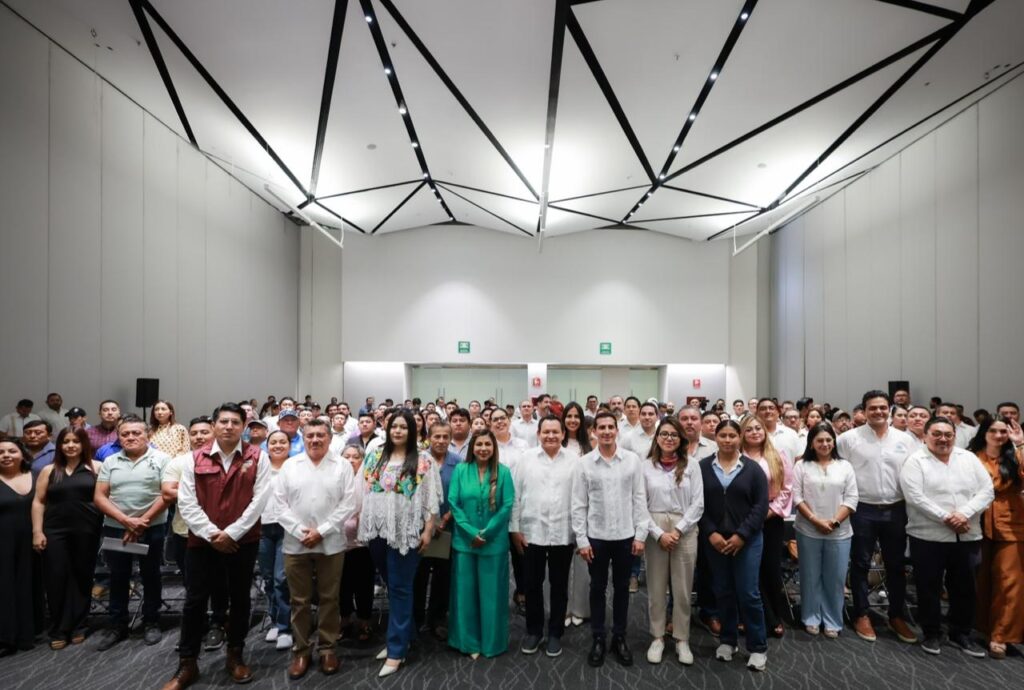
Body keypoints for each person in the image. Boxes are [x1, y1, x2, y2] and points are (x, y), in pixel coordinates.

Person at [162, 403, 271, 689]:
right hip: (202, 541)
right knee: (195, 600)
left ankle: (235, 655)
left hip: (242, 541)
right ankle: (187, 663)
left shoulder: (258, 457)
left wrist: (231, 534)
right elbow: (187, 502)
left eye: (235, 422)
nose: (229, 427)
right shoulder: (192, 459)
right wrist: (213, 534)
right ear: (214, 425)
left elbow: (259, 500)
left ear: (243, 426)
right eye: (223, 421)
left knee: (240, 598)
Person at [900, 416, 994, 657]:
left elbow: (987, 491)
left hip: (967, 534)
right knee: (928, 587)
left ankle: (961, 633)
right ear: (925, 436)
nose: (943, 439)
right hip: (928, 536)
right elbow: (915, 497)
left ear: (955, 436)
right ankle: (932, 633)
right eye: (937, 434)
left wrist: (963, 514)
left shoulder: (968, 458)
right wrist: (947, 518)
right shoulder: (915, 461)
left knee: (965, 588)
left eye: (948, 434)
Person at [358, 410, 441, 678]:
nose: (398, 431)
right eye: (394, 426)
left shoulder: (423, 459)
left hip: (406, 532)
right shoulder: (374, 455)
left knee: (401, 588)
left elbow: (431, 498)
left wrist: (428, 529)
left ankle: (396, 650)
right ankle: (407, 636)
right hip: (377, 531)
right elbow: (363, 491)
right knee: (392, 587)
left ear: (412, 431)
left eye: (403, 427)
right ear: (387, 428)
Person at [276, 419, 356, 679]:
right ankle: (301, 651)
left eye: (321, 435)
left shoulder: (342, 466)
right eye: (310, 435)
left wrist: (322, 530)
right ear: (303, 438)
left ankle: (327, 648)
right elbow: (279, 504)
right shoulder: (290, 465)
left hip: (330, 542)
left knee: (329, 598)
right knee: (299, 600)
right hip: (295, 542)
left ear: (330, 438)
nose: (315, 440)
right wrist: (300, 531)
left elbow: (349, 503)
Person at [837, 390, 916, 644]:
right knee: (860, 563)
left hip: (896, 509)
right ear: (864, 411)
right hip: (862, 509)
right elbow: (840, 473)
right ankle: (861, 613)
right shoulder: (848, 439)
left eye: (883, 407)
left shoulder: (905, 440)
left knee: (896, 565)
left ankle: (896, 615)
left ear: (889, 409)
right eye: (873, 408)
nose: (878, 412)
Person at [571, 411, 647, 668]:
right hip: (596, 537)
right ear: (593, 431)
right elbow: (578, 504)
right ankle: (598, 637)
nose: (605, 431)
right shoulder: (584, 463)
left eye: (610, 427)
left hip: (626, 535)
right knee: (597, 588)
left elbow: (639, 499)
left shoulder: (632, 461)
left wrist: (641, 534)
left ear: (617, 430)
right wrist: (582, 540)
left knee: (622, 588)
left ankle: (619, 636)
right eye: (601, 427)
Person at [92, 415, 170, 651]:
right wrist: (126, 521)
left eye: (136, 433)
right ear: (119, 436)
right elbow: (99, 497)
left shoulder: (162, 459)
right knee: (118, 576)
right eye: (125, 434)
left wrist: (141, 522)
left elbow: (166, 495)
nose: (131, 437)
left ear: (147, 435)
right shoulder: (110, 461)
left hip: (152, 527)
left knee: (151, 575)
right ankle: (117, 624)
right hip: (116, 527)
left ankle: (151, 621)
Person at [699, 420, 769, 672]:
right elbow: (697, 504)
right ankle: (728, 641)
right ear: (715, 437)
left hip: (747, 541)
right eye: (723, 435)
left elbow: (761, 506)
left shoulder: (753, 469)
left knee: (748, 593)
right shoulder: (703, 467)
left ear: (740, 437)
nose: (727, 440)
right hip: (715, 540)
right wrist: (711, 533)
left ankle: (758, 647)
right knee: (723, 590)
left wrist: (742, 535)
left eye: (732, 435)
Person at [31, 428, 102, 649]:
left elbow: (105, 498)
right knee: (56, 577)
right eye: (66, 442)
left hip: (87, 530)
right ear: (59, 445)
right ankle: (59, 628)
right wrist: (37, 531)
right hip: (54, 531)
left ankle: (80, 624)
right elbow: (38, 502)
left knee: (82, 576)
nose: (70, 445)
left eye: (76, 441)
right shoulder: (49, 470)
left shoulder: (96, 468)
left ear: (84, 444)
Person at [512, 416, 576, 657]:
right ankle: (534, 631)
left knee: (559, 585)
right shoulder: (526, 459)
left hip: (563, 532)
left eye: (555, 432)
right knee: (532, 584)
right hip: (532, 532)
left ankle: (556, 633)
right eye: (546, 432)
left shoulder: (574, 460)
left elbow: (580, 497)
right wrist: (515, 529)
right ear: (538, 434)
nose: (550, 436)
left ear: (563, 434)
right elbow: (516, 496)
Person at [641, 417, 703, 665]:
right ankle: (657, 637)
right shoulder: (646, 466)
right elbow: (639, 504)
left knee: (682, 589)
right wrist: (658, 533)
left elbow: (698, 503)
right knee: (656, 588)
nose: (668, 438)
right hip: (654, 527)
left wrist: (677, 530)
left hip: (684, 529)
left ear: (681, 439)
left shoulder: (692, 465)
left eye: (674, 435)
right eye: (664, 434)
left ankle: (681, 639)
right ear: (657, 438)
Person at [447, 429, 514, 659]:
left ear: (494, 447)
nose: (483, 448)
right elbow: (453, 503)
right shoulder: (460, 470)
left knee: (491, 596)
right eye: (479, 444)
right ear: (472, 447)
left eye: (487, 444)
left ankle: (491, 643)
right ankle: (468, 643)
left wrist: (485, 533)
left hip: (493, 543)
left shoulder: (503, 472)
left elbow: (507, 505)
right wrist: (470, 532)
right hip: (465, 543)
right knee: (465, 595)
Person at [793, 423, 858, 638]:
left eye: (829, 440)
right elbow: (797, 497)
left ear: (834, 442)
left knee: (836, 578)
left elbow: (852, 498)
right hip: (808, 529)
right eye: (820, 440)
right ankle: (811, 616)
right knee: (810, 575)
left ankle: (832, 619)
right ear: (811, 443)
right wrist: (815, 520)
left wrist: (834, 522)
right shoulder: (802, 465)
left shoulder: (845, 466)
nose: (825, 444)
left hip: (839, 532)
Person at [969, 416, 1024, 658]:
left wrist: (1020, 444)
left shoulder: (1015, 455)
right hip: (976, 520)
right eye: (993, 430)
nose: (999, 435)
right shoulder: (971, 456)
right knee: (980, 579)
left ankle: (1001, 635)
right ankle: (983, 628)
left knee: (1009, 581)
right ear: (984, 432)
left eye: (1003, 431)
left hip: (1012, 523)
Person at [739, 415, 793, 638]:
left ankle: (774, 617)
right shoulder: (735, 456)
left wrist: (769, 512)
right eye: (749, 429)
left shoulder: (778, 455)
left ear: (765, 431)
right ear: (742, 433)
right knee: (747, 570)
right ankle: (750, 617)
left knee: (770, 569)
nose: (754, 432)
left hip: (771, 519)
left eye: (758, 428)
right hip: (743, 520)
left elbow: (786, 488)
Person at [413, 422, 459, 641]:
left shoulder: (458, 463)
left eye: (445, 437)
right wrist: (428, 524)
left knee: (443, 576)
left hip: (447, 530)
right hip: (420, 529)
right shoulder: (418, 460)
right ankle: (416, 619)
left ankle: (437, 618)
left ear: (450, 438)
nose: (441, 441)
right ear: (428, 438)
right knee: (418, 576)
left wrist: (446, 517)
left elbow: (462, 495)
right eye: (436, 436)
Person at [0, 439, 40, 656]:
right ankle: (6, 637)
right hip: (3, 542)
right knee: (4, 587)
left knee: (29, 584)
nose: (6, 455)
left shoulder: (37, 475)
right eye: (1, 452)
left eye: (11, 451)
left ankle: (27, 633)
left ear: (22, 454)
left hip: (32, 541)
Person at [258, 430, 293, 651]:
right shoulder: (259, 468)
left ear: (290, 445)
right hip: (262, 527)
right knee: (268, 578)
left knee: (282, 578)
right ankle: (274, 620)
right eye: (273, 442)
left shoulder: (295, 467)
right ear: (267, 445)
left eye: (282, 442)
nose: (278, 445)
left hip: (286, 528)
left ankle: (285, 628)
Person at [562, 403, 593, 629]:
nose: (572, 420)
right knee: (560, 565)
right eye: (569, 416)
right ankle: (562, 608)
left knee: (583, 563)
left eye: (576, 416)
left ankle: (581, 608)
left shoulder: (589, 446)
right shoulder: (557, 442)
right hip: (560, 508)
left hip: (585, 508)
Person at [339, 445, 374, 643]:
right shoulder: (335, 478)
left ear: (363, 460)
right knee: (341, 585)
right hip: (338, 542)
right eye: (347, 457)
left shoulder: (369, 480)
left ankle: (364, 621)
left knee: (364, 584)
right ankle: (344, 621)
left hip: (363, 544)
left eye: (356, 457)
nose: (351, 460)